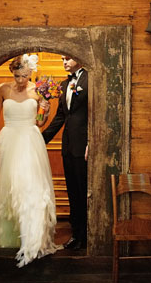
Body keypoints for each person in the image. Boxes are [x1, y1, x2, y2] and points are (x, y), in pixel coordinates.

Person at [0, 54, 60, 267]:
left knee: (30, 188)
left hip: (30, 140)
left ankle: (33, 240)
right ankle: (9, 238)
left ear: (30, 73)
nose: (20, 80)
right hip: (9, 138)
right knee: (9, 187)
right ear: (12, 73)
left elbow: (39, 123)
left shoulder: (37, 90)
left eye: (24, 76)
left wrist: (45, 112)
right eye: (17, 75)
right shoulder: (3, 89)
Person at [42, 56, 89, 250]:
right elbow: (61, 116)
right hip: (68, 146)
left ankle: (87, 236)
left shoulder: (91, 78)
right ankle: (75, 234)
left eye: (68, 58)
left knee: (84, 191)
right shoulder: (64, 83)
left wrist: (92, 142)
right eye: (62, 59)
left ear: (79, 58)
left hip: (84, 147)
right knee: (72, 192)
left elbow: (97, 112)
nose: (64, 61)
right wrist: (41, 139)